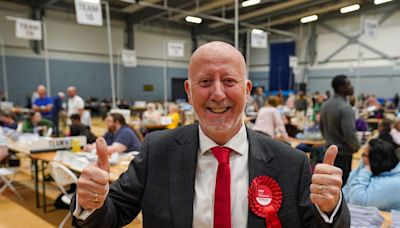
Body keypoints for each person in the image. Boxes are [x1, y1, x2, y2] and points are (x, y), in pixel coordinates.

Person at [72, 41, 349, 227]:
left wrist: (330, 207)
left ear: (248, 90)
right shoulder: (157, 150)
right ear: (189, 92)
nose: (218, 94)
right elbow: (112, 213)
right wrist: (89, 202)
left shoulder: (291, 163)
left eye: (229, 81)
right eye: (205, 82)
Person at [320, 75, 360, 184]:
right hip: (343, 155)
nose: (352, 87)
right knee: (341, 189)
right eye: (349, 84)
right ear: (342, 88)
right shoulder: (346, 108)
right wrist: (357, 147)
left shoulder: (325, 105)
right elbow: (349, 134)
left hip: (328, 151)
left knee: (329, 185)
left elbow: (322, 128)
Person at [343, 138, 400, 211]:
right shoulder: (374, 167)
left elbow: (356, 202)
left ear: (374, 160)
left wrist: (366, 171)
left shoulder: (395, 183)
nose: (362, 158)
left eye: (364, 155)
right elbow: (347, 187)